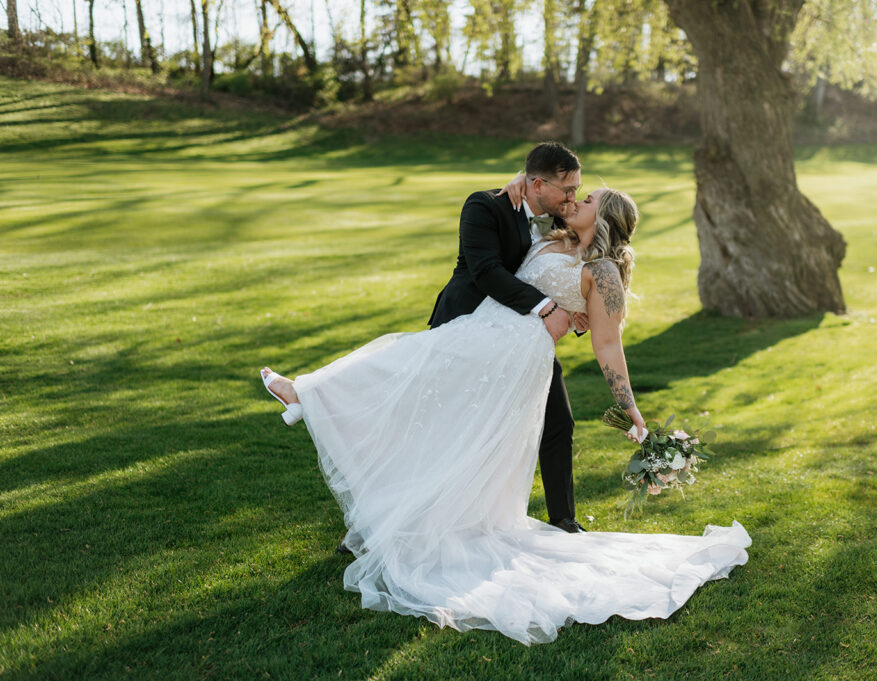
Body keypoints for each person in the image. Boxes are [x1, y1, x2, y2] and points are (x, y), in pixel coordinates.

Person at [259, 185, 751, 645]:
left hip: (513, 354)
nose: (576, 200)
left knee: (404, 367)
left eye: (589, 199)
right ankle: (332, 430)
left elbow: (607, 344)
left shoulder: (602, 273)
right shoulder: (548, 236)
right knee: (418, 390)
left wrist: (632, 410)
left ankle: (304, 393)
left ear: (605, 220)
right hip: (480, 330)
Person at [430, 142, 589, 534]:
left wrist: (576, 310)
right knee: (445, 429)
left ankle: (564, 520)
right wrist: (548, 308)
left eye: (576, 190)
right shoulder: (484, 206)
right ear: (537, 184)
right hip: (467, 327)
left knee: (558, 422)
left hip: (524, 339)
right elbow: (486, 271)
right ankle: (380, 524)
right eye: (566, 190)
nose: (573, 198)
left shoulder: (559, 218)